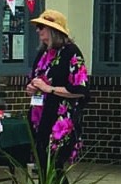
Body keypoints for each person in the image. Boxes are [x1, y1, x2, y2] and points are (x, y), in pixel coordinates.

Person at [26, 10, 89, 166]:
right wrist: (32, 87)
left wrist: (49, 89)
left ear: (53, 30)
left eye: (41, 27)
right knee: (41, 162)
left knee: (55, 164)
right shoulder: (43, 53)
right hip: (40, 115)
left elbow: (80, 90)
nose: (37, 30)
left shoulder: (71, 52)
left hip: (60, 118)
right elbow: (35, 78)